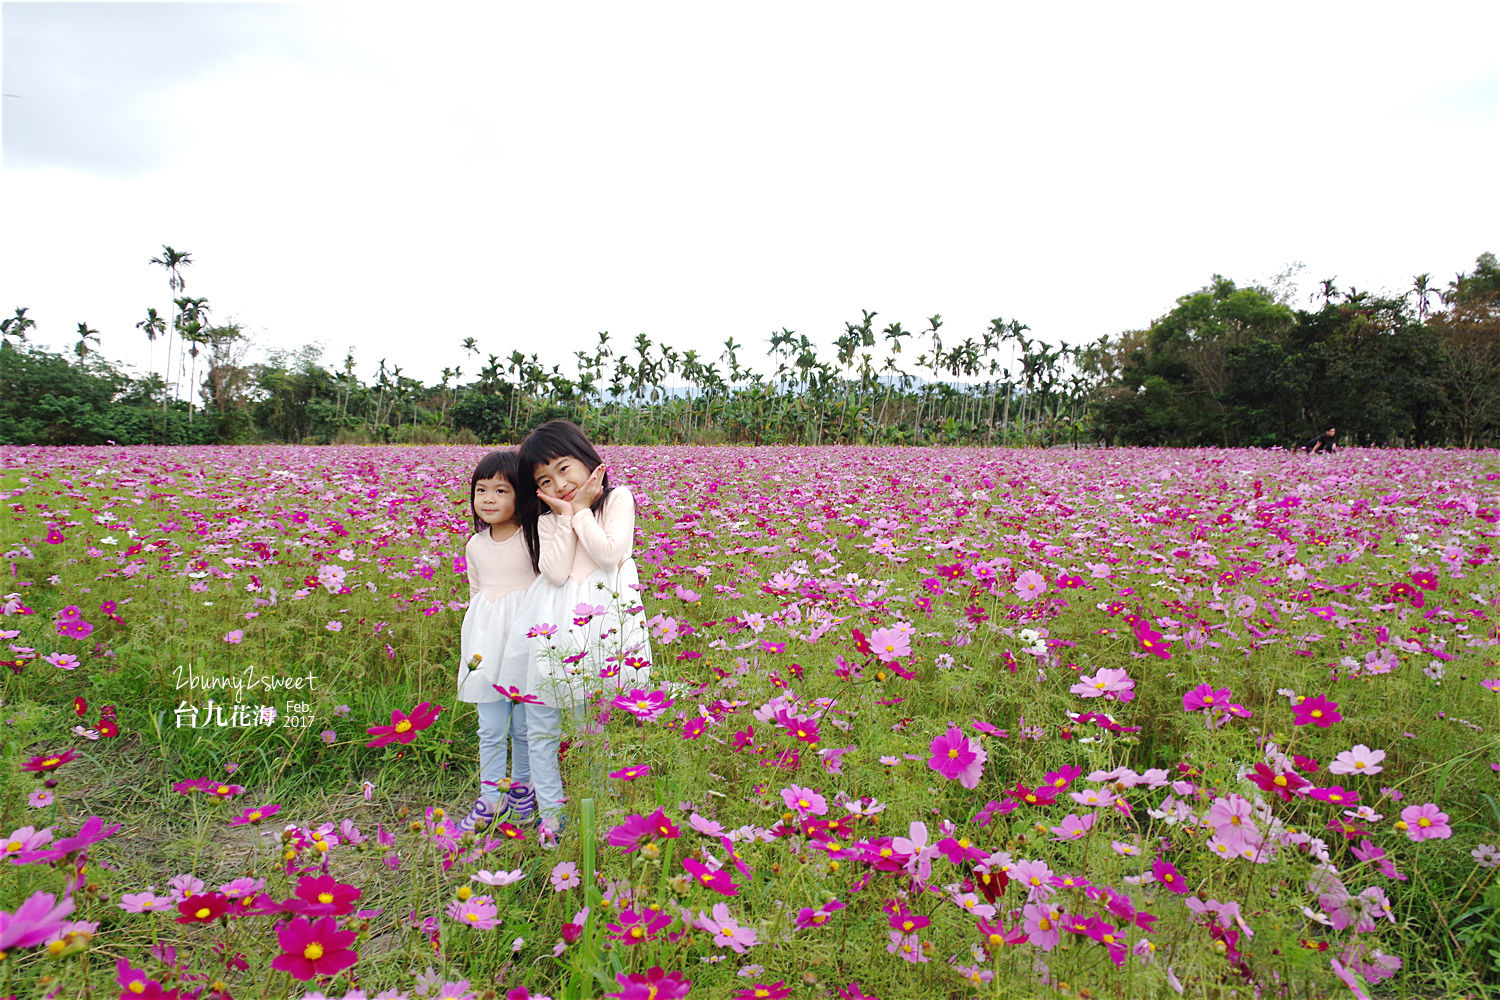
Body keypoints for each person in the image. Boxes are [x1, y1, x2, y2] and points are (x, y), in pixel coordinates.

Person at [500, 420, 652, 844]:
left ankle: (599, 815)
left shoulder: (618, 499)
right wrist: (566, 516)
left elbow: (609, 554)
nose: (560, 484)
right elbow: (554, 570)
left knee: (591, 730)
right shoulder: (551, 520)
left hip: (601, 630)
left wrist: (582, 511)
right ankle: (551, 820)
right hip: (552, 630)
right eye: (545, 481)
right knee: (542, 727)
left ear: (589, 460)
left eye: (565, 469)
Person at [455, 449, 541, 834]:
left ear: (521, 496)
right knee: (489, 727)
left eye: (501, 490)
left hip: (523, 643)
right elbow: (476, 594)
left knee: (524, 727)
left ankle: (523, 790)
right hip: (484, 645)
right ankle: (489, 798)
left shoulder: (534, 540)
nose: (488, 499)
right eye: (481, 489)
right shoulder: (475, 545)